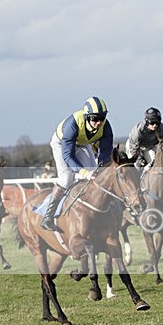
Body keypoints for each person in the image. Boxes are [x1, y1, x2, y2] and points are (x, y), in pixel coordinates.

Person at [41, 96, 114, 232]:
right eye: (94, 118)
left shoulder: (106, 126)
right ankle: (48, 217)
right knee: (67, 178)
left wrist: (99, 168)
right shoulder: (73, 124)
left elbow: (105, 153)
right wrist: (85, 172)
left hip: (82, 144)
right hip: (61, 144)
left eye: (102, 118)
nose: (99, 122)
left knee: (96, 175)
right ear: (87, 117)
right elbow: (68, 157)